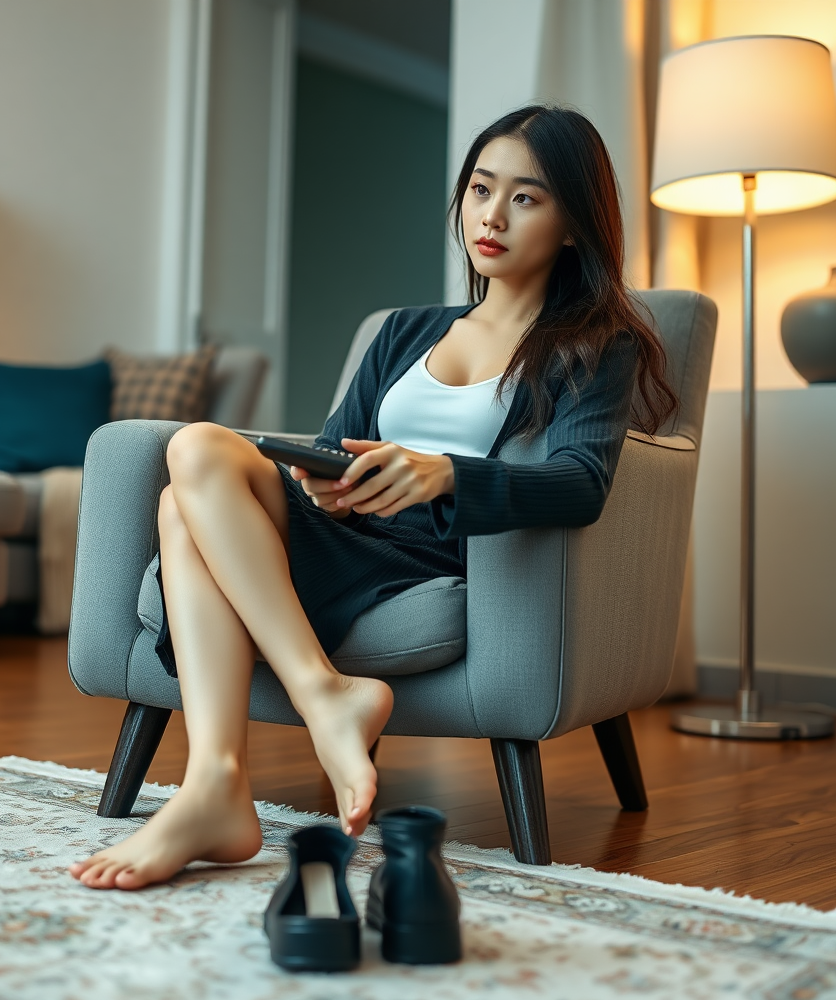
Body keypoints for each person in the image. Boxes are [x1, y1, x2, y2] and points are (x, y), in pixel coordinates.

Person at [69, 104, 677, 890]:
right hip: (343, 533)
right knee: (193, 459)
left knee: (182, 502)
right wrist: (323, 484)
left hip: (427, 555)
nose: (491, 216)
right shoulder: (405, 331)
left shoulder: (596, 347)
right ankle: (291, 721)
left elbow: (582, 484)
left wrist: (444, 473)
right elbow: (332, 448)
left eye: (526, 198)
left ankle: (221, 783)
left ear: (572, 224)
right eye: (481, 189)